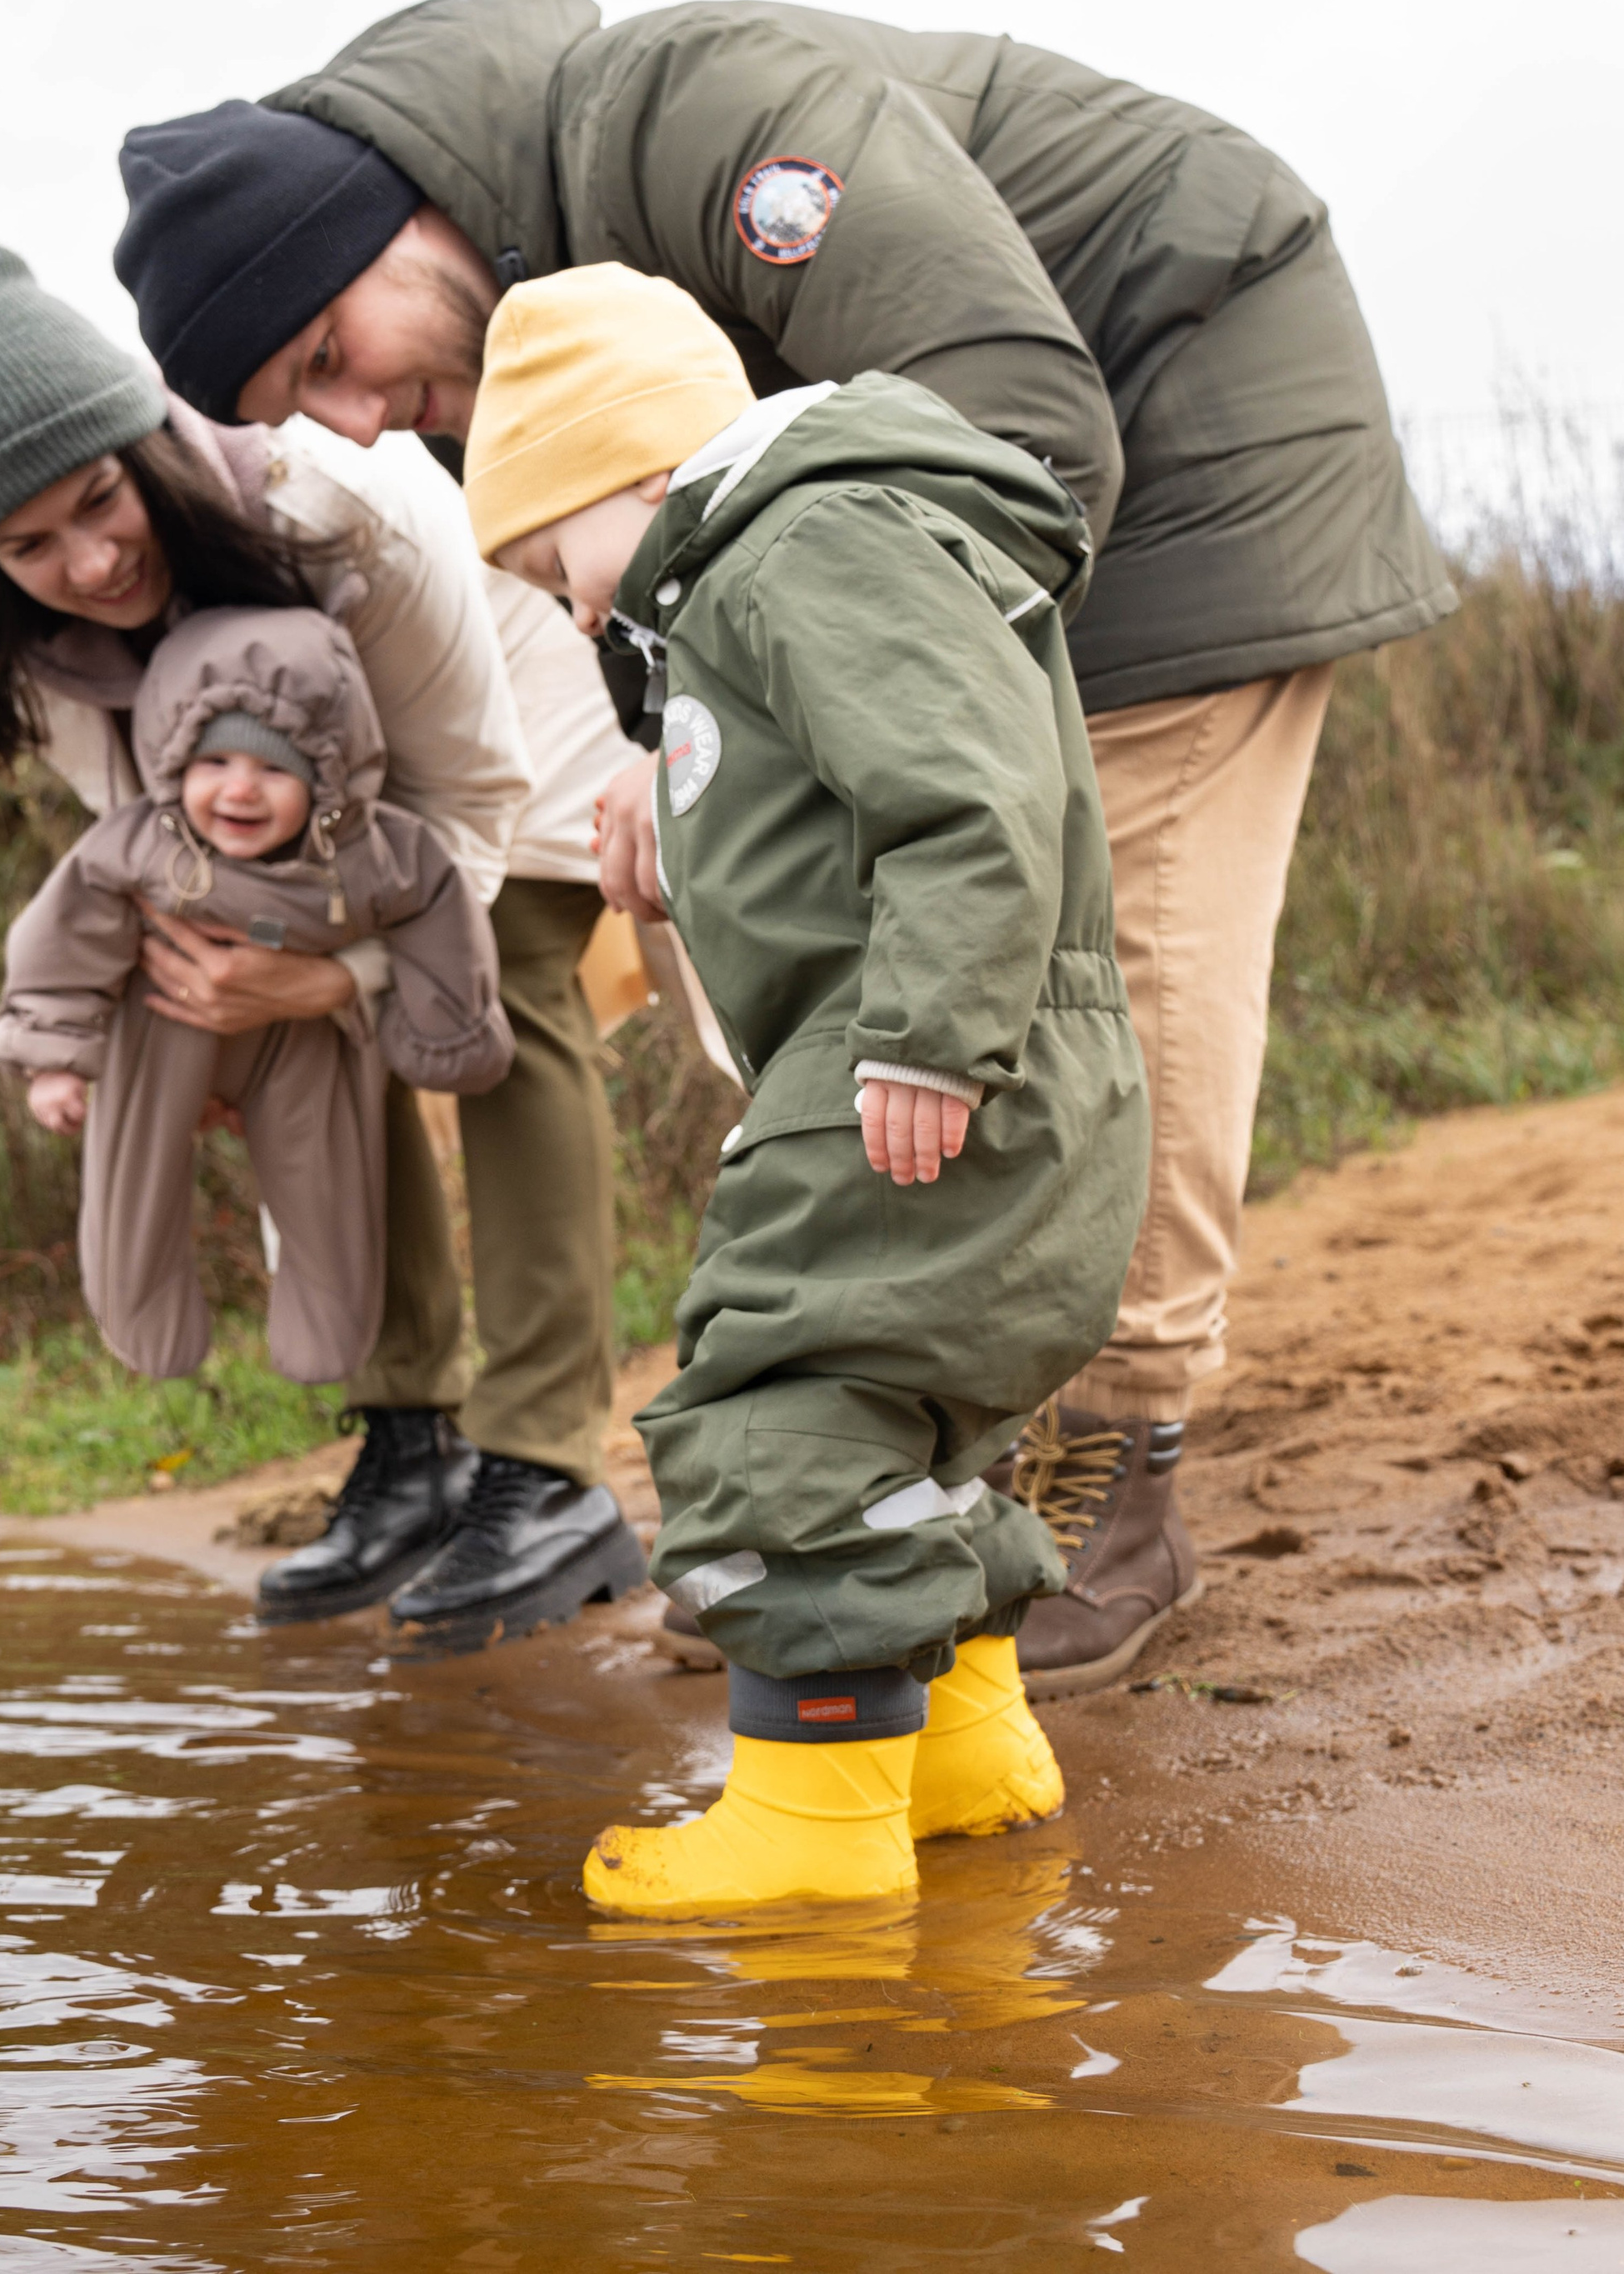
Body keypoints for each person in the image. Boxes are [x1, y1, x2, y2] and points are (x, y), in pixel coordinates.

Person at [110, 0, 1456, 1693]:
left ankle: (1114, 1450)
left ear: (387, 222)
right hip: (934, 510)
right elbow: (658, 589)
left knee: (1093, 916)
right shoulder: (501, 348)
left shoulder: (693, 118)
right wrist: (681, 767)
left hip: (1182, 396)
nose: (361, 422)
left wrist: (762, 744)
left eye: (326, 361)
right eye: (307, 413)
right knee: (831, 908)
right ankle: (878, 1481)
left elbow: (1017, 412)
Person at [466, 263, 1147, 1913]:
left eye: (556, 568)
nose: (571, 619)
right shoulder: (811, 552)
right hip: (1013, 1057)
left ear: (628, 467)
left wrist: (919, 1030)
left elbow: (963, 794)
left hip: (922, 1045)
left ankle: (812, 1827)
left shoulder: (795, 544)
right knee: (916, 1422)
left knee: (776, 1413)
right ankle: (965, 1750)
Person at [0, 232, 576, 1630]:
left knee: (507, 987)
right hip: (287, 811)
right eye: (28, 545)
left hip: (497, 725)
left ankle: (549, 1462)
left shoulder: (349, 505)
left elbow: (472, 809)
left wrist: (355, 968)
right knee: (287, 1032)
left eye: (97, 499)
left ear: (145, 446)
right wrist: (226, 1023)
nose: (88, 560)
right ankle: (409, 1440)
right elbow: (166, 875)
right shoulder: (56, 661)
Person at [0, 604, 517, 1420]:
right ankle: (144, 1319)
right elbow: (63, 939)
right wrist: (53, 1057)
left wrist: (446, 1035)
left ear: (328, 778)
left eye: (275, 770)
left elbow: (442, 915)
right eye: (215, 762)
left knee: (329, 1183)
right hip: (163, 1025)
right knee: (135, 1176)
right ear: (173, 762)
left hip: (303, 1038)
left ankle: (326, 1334)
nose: (239, 788)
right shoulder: (140, 846)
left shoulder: (374, 853)